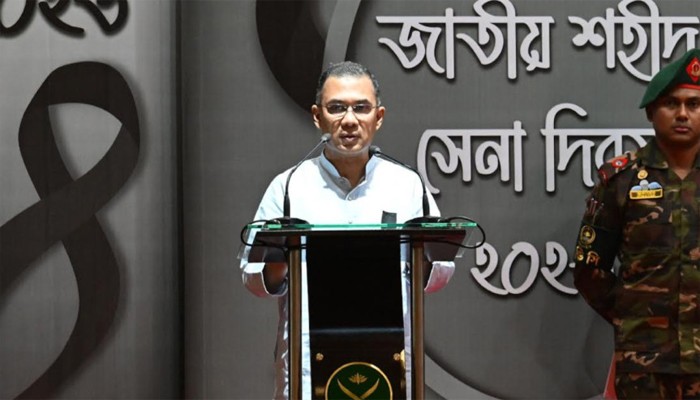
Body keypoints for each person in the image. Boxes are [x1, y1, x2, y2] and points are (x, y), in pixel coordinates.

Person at [239, 61, 454, 399]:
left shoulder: (408, 185)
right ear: (317, 116)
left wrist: (423, 260)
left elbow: (439, 273)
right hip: (309, 365)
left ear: (378, 117)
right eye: (337, 108)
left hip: (389, 358)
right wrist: (279, 260)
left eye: (361, 108)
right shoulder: (289, 187)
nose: (350, 120)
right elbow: (252, 276)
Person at [574, 48, 700, 399]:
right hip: (644, 363)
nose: (683, 114)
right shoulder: (622, 180)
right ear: (650, 111)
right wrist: (634, 314)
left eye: (694, 104)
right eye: (671, 103)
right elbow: (589, 269)